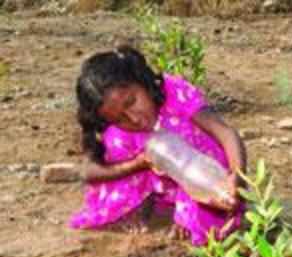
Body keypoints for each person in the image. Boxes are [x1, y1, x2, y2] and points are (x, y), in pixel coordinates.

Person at [70, 45, 246, 246]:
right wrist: (140, 163)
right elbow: (89, 172)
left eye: (131, 102)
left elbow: (225, 133)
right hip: (152, 177)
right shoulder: (115, 132)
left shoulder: (173, 94)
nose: (134, 119)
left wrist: (237, 176)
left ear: (142, 80)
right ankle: (150, 203)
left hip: (197, 170)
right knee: (113, 160)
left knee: (210, 211)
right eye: (119, 119)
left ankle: (187, 208)